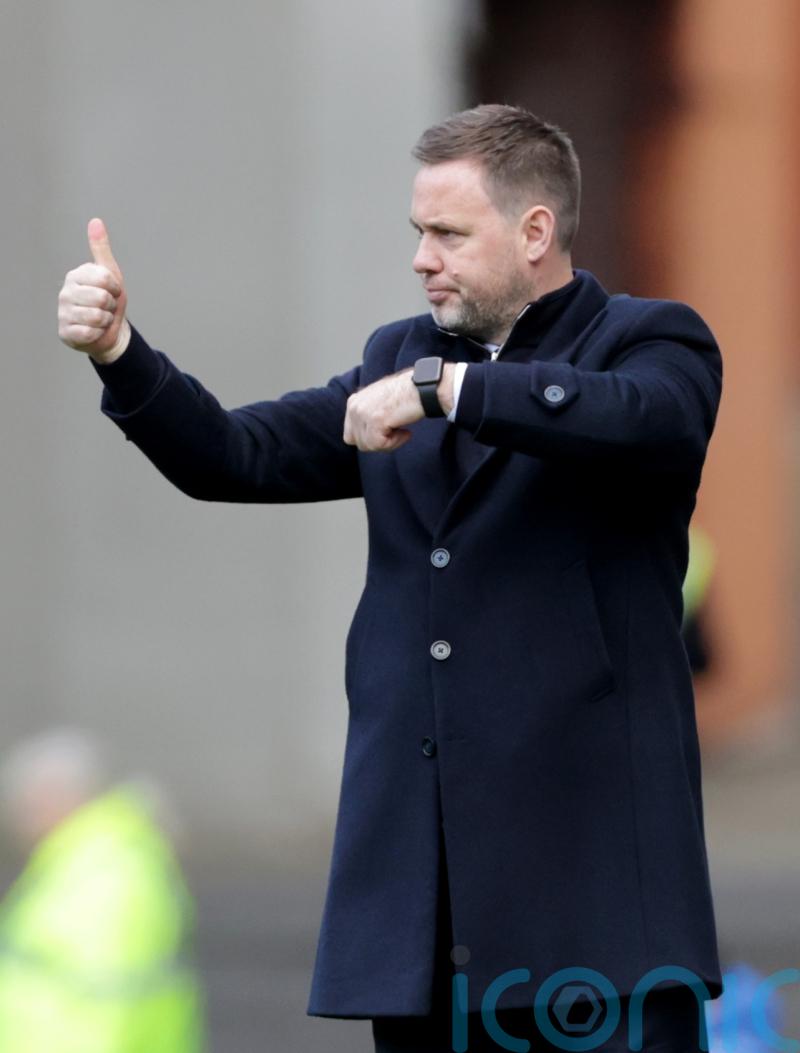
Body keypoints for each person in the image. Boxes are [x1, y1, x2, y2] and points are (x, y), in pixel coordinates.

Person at [57, 104, 724, 1051]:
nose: (422, 257)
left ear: (536, 232)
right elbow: (237, 456)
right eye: (418, 231)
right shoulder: (395, 356)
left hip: (598, 919)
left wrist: (444, 391)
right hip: (431, 925)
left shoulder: (650, 340)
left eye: (448, 233)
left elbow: (640, 418)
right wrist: (122, 355)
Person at [0, 727, 205, 1053]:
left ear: (54, 795)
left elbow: (107, 1006)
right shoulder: (82, 860)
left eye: (25, 803)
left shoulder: (106, 872)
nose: (17, 821)